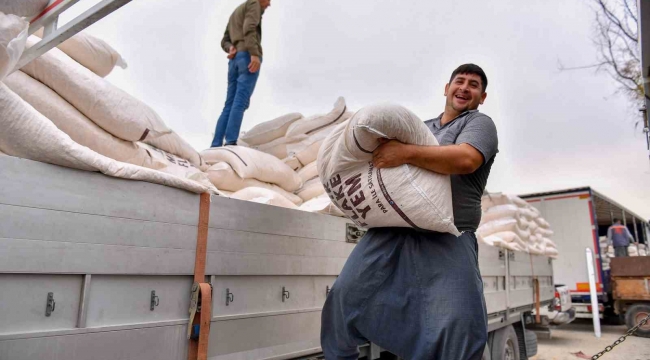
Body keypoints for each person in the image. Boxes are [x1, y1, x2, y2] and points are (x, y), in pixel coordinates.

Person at [320, 64, 498, 360]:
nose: (465, 88)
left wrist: (405, 153)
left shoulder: (479, 123)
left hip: (449, 236)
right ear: (446, 88)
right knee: (345, 297)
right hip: (393, 229)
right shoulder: (422, 127)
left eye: (474, 85)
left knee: (459, 324)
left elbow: (466, 159)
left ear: (482, 96)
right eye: (460, 81)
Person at [211, 0, 270, 148]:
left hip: (235, 60)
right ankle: (231, 143)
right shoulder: (253, 4)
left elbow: (224, 40)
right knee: (240, 101)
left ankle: (216, 144)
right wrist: (254, 54)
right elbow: (249, 28)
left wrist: (230, 47)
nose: (269, 4)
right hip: (247, 57)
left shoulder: (236, 12)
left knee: (229, 104)